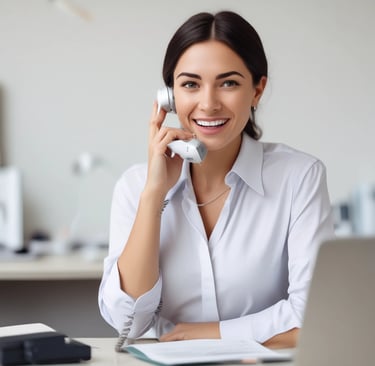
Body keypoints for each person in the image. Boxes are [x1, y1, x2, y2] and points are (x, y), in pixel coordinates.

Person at [98, 10, 334, 349]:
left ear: (256, 90)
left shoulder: (299, 177)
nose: (208, 104)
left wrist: (212, 334)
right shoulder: (135, 186)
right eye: (191, 84)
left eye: (229, 83)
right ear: (169, 96)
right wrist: (154, 196)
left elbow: (312, 315)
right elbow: (127, 324)